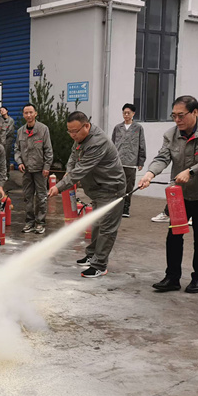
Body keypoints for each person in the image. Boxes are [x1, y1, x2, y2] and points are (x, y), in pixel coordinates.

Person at [138, 96, 198, 294]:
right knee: (174, 236)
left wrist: (190, 171)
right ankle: (172, 277)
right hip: (181, 196)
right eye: (174, 116)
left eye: (181, 115)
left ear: (196, 112)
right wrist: (150, 174)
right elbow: (162, 157)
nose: (177, 120)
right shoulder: (171, 134)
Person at [47, 111, 126, 278]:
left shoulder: (97, 142)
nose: (72, 135)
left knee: (106, 228)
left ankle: (99, 265)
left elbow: (81, 169)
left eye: (75, 131)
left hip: (111, 188)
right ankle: (92, 255)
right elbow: (73, 158)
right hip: (97, 189)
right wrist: (68, 172)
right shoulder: (80, 139)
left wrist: (59, 186)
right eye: (69, 131)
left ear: (87, 126)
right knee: (96, 223)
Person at [14, 104, 53, 234]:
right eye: (26, 113)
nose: (29, 115)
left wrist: (47, 166)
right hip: (26, 170)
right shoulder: (20, 131)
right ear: (23, 115)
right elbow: (17, 149)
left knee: (41, 197)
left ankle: (40, 223)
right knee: (27, 197)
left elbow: (48, 150)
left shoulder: (43, 129)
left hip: (40, 170)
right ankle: (29, 222)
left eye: (31, 112)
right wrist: (19, 162)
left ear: (35, 113)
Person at [111, 103, 146, 218]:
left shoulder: (138, 128)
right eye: (124, 113)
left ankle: (126, 208)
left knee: (129, 186)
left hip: (131, 162)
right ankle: (117, 207)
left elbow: (142, 144)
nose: (126, 115)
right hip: (118, 162)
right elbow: (112, 144)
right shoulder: (117, 128)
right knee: (117, 185)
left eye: (128, 113)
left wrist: (141, 161)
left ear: (133, 114)